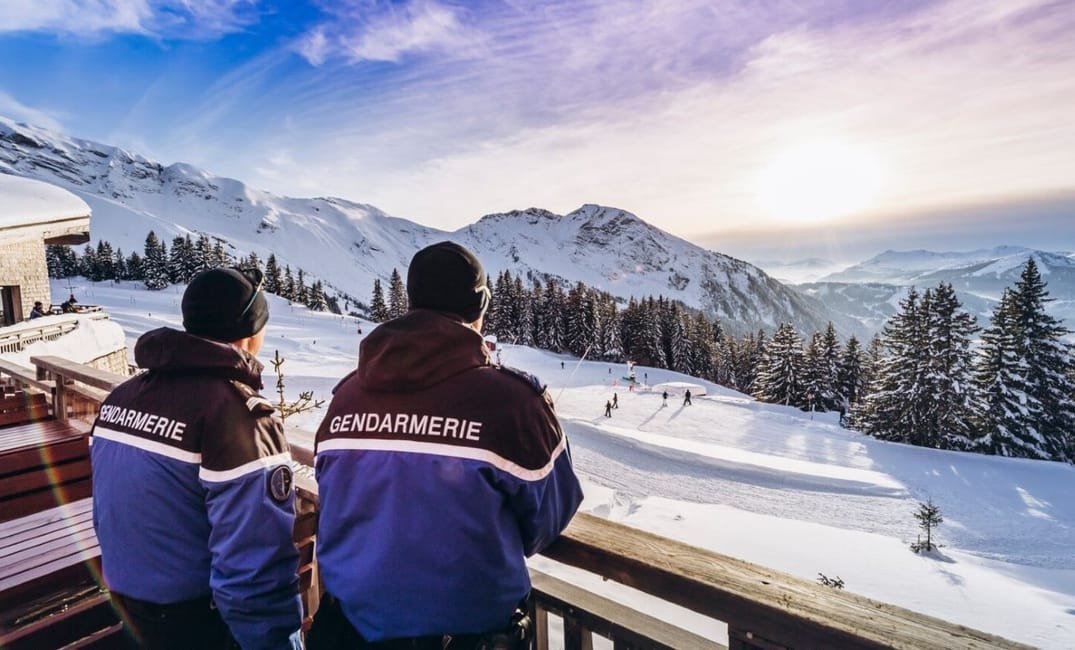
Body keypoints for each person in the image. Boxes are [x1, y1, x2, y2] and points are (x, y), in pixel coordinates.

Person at [310, 241, 583, 649]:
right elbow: (548, 518)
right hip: (467, 636)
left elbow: (335, 494)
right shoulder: (511, 402)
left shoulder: (347, 398)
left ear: (412, 303)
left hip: (349, 630)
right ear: (480, 306)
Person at [89, 267, 303, 650]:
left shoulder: (123, 397)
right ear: (252, 331)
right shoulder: (235, 416)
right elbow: (254, 566)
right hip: (198, 623)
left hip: (130, 609)